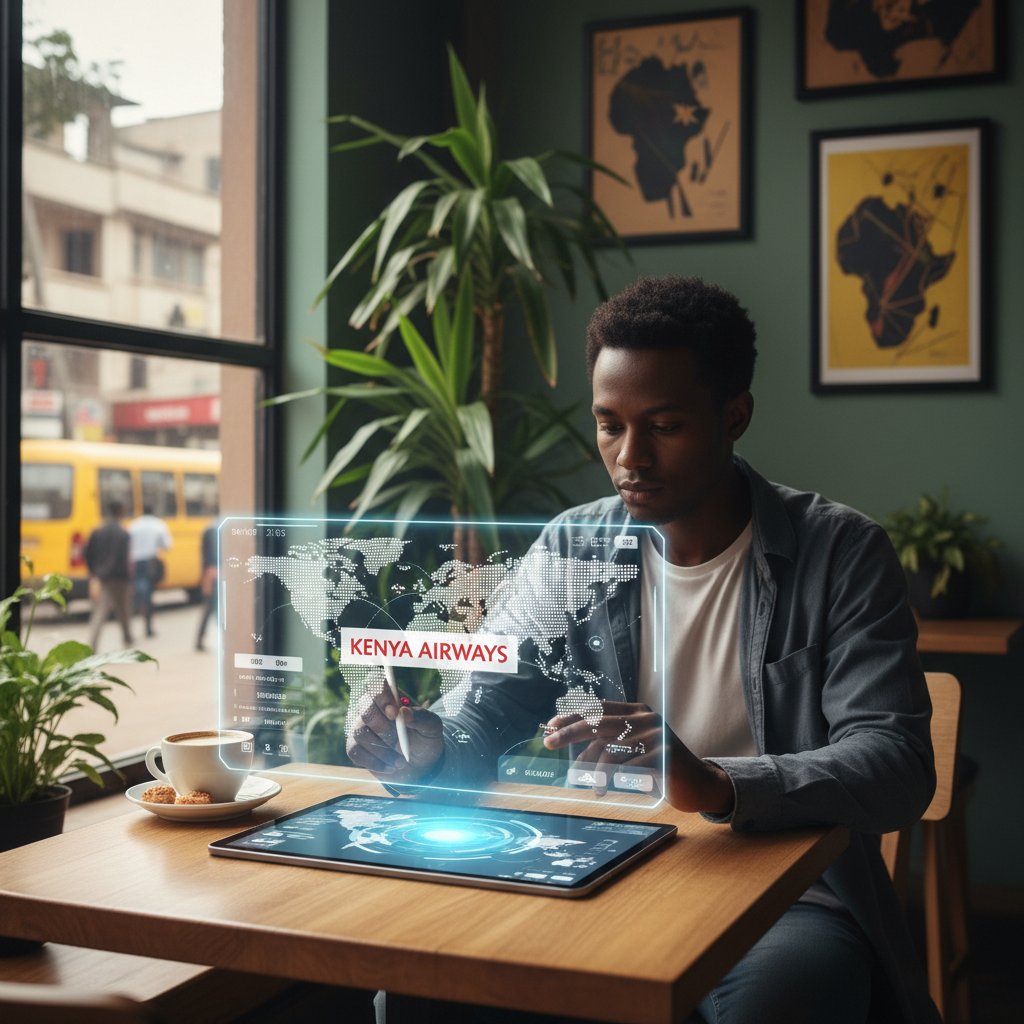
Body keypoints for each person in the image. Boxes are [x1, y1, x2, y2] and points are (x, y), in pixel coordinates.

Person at [348, 276, 939, 1023]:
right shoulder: (572, 546)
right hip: (600, 863)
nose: (631, 457)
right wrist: (430, 743)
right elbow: (486, 700)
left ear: (734, 416)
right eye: (608, 425)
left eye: (663, 426)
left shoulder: (841, 552)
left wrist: (714, 783)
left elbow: (895, 764)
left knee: (789, 999)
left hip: (791, 897)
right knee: (423, 987)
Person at [83, 500, 134, 652]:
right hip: (120, 579)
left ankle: (92, 646)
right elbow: (124, 558)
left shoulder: (97, 532)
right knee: (124, 611)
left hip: (102, 578)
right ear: (120, 512)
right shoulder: (123, 533)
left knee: (99, 613)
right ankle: (127, 640)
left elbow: (87, 554)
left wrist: (94, 573)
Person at [129, 504, 171, 639]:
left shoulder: (133, 525)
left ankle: (140, 620)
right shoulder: (158, 524)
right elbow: (167, 545)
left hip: (136, 563)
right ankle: (148, 626)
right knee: (148, 594)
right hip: (150, 562)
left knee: (140, 592)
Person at [195, 520, 217, 651]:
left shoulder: (208, 528)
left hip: (210, 573)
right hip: (215, 573)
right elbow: (211, 556)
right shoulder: (215, 529)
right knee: (211, 607)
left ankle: (199, 639)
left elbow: (204, 556)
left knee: (209, 608)